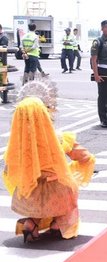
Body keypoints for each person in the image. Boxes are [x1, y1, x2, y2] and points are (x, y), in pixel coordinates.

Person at [3, 83, 95, 242]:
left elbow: (8, 171)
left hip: (28, 196)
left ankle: (32, 223)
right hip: (56, 193)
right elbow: (85, 157)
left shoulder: (17, 145)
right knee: (68, 187)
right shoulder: (57, 139)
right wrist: (71, 170)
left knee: (37, 196)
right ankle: (59, 224)